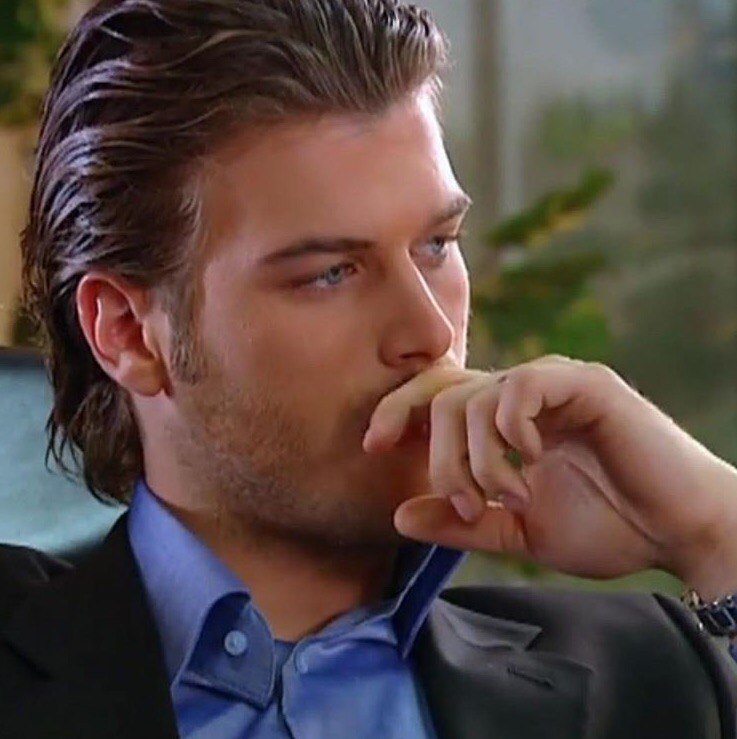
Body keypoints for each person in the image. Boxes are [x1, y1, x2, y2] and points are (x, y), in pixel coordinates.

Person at [2, 1, 736, 737]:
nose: (430, 332)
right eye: (330, 273)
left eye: (437, 245)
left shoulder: (651, 677)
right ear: (129, 332)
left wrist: (713, 531)